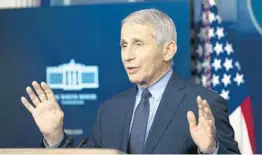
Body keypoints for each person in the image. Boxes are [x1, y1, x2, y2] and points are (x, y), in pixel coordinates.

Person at [21, 9, 240, 154]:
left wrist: (211, 150)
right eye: (124, 45)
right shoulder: (110, 110)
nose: (127, 56)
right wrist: (55, 135)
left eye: (138, 44)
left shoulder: (203, 104)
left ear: (168, 50)